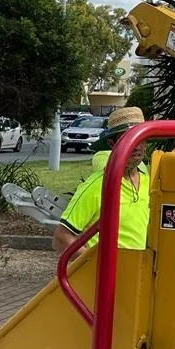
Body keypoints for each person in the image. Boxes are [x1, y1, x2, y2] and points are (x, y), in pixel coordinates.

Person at [52, 107, 150, 254]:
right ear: (112, 144)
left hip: (136, 272)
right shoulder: (97, 185)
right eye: (127, 139)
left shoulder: (151, 184)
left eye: (140, 138)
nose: (136, 146)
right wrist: (96, 266)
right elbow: (61, 238)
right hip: (107, 274)